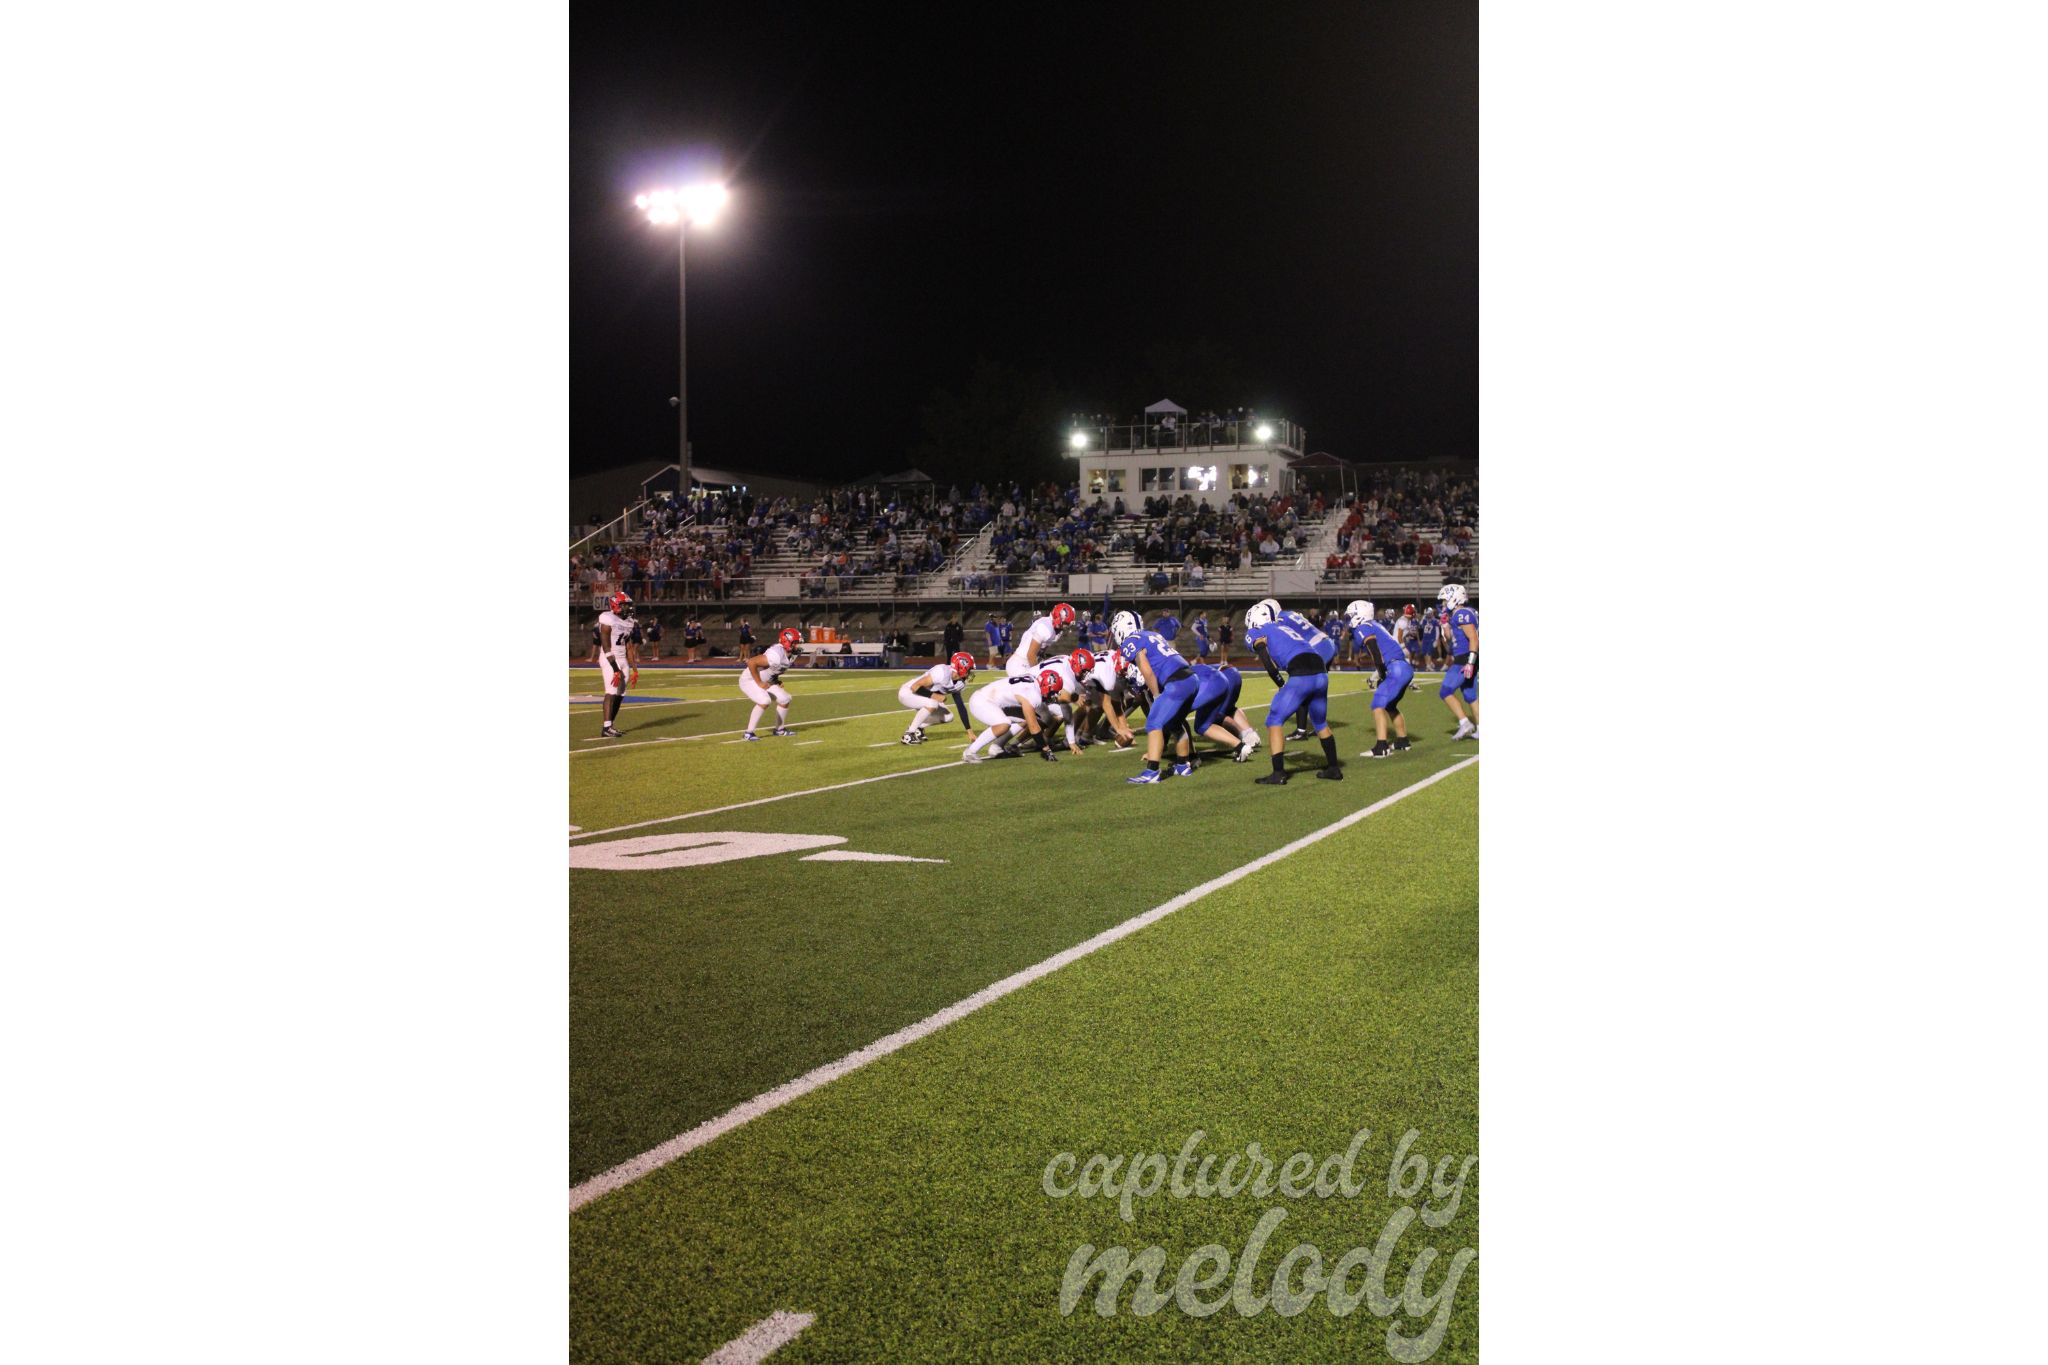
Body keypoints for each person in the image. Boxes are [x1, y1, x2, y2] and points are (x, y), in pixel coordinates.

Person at [1244, 601, 1341, 784]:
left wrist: (1280, 683)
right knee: (1320, 722)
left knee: (1274, 720)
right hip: (1320, 670)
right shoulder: (1284, 627)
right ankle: (1334, 768)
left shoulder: (1256, 631)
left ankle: (1278, 773)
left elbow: (1266, 659)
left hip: (1301, 672)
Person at [1113, 610, 1202, 785]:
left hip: (1176, 681)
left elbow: (1146, 669)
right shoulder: (1151, 634)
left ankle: (1152, 771)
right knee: (1174, 723)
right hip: (1191, 678)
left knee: (1154, 722)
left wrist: (1156, 694)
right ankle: (1183, 765)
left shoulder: (1131, 641)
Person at [1345, 600, 1414, 758]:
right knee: (1390, 705)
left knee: (1377, 704)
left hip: (1395, 668)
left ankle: (1381, 747)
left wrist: (1382, 674)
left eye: (1351, 615)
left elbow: (1376, 653)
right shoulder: (1374, 625)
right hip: (1404, 668)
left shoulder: (1363, 627)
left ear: (1359, 615)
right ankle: (1403, 741)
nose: (1349, 619)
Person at [961, 670, 1059, 763]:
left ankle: (997, 748)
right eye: (1052, 691)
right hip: (982, 701)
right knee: (1004, 724)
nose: (1052, 695)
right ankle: (970, 752)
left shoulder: (1033, 680)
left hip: (989, 699)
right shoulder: (1033, 694)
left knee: (1024, 719)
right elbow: (1033, 726)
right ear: (1046, 686)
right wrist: (1046, 749)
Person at [739, 627, 805, 740]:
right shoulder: (776, 654)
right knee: (764, 701)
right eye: (795, 643)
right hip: (750, 680)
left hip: (766, 681)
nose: (797, 645)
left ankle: (779, 730)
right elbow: (752, 662)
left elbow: (773, 670)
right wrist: (759, 683)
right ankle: (748, 733)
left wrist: (776, 681)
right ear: (787, 642)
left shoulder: (789, 654)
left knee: (785, 699)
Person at [899, 651, 975, 744]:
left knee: (948, 717)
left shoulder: (960, 683)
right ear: (961, 667)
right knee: (933, 703)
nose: (970, 673)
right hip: (908, 692)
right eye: (969, 669)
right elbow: (915, 687)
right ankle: (909, 735)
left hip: (924, 697)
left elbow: (960, 705)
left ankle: (917, 727)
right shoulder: (942, 672)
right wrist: (935, 696)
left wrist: (969, 731)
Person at [1436, 583, 1480, 740]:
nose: (1443, 604)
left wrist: (1470, 662)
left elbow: (1473, 638)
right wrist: (1445, 625)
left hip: (1465, 658)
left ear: (1453, 598)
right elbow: (1449, 639)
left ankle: (1464, 723)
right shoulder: (1458, 614)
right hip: (1466, 657)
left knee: (1445, 691)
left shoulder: (1462, 613)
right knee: (1470, 695)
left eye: (1444, 600)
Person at [595, 591, 640, 739]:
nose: (628, 608)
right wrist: (615, 668)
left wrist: (635, 669)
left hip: (622, 659)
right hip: (610, 658)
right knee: (611, 691)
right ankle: (606, 727)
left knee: (621, 694)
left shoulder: (629, 621)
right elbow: (606, 646)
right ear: (615, 605)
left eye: (628, 605)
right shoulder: (607, 618)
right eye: (625, 605)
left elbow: (628, 646)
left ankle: (610, 725)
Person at [1004, 602, 1076, 681]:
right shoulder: (1046, 628)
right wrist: (1038, 674)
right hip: (1020, 664)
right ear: (1058, 617)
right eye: (1065, 623)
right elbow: (1030, 655)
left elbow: (1040, 652)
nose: (1066, 626)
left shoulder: (1050, 626)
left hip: (1025, 663)